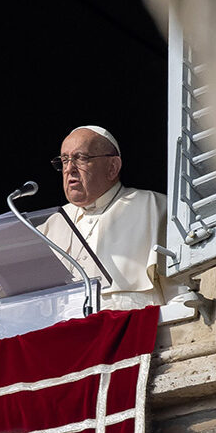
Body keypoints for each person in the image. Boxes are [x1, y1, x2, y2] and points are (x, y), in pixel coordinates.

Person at [39, 125, 179, 311]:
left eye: (80, 158)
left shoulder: (154, 207)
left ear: (113, 167)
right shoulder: (52, 223)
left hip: (129, 330)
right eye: (64, 160)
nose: (69, 169)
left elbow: (179, 290)